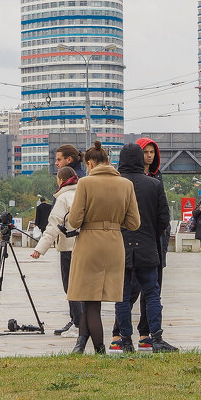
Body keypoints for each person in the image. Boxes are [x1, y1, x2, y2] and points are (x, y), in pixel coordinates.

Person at [65, 143, 139, 354]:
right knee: (97, 299)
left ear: (89, 163)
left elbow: (75, 220)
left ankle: (99, 349)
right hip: (115, 243)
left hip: (90, 242)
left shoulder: (85, 183)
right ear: (108, 161)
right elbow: (134, 223)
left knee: (90, 300)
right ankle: (83, 345)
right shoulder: (126, 185)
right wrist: (113, 223)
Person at [113, 143, 177, 353]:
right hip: (148, 246)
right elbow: (163, 219)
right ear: (141, 160)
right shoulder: (154, 184)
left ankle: (125, 340)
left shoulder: (114, 184)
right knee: (151, 294)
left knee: (122, 296)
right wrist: (151, 235)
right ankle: (156, 338)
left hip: (120, 247)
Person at [31, 166, 82, 338]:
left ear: (60, 181)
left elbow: (53, 226)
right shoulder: (85, 194)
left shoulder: (63, 198)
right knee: (83, 287)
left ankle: (77, 324)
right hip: (85, 247)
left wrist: (40, 249)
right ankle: (85, 323)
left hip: (68, 248)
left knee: (71, 288)